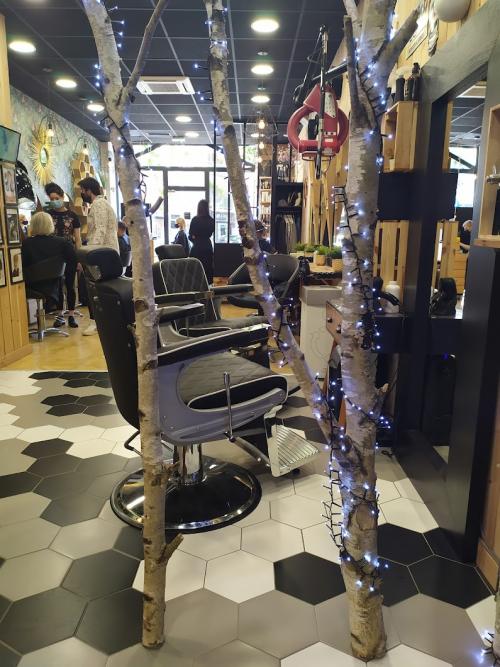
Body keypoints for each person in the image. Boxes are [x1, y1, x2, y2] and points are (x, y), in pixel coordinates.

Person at [78, 177, 119, 335]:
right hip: (106, 252)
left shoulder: (99, 204)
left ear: (89, 190)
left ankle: (96, 322)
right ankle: (102, 321)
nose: (82, 194)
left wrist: (91, 254)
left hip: (103, 253)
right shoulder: (102, 203)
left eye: (83, 190)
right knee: (98, 288)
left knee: (94, 288)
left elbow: (100, 230)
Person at [22, 212, 77, 321]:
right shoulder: (63, 242)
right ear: (50, 225)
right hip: (54, 285)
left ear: (33, 225)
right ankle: (68, 314)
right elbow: (73, 261)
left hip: (33, 287)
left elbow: (23, 266)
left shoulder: (26, 244)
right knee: (63, 278)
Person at [44, 182, 81, 328]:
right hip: (54, 256)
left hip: (70, 254)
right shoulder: (48, 215)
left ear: (62, 197)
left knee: (70, 285)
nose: (54, 201)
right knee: (58, 286)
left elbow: (77, 239)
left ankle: (71, 315)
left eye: (56, 198)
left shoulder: (73, 216)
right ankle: (60, 315)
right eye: (51, 199)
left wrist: (80, 258)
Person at [189, 200, 215, 284]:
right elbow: (210, 233)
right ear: (207, 208)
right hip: (207, 246)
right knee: (207, 268)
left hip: (197, 247)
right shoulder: (211, 220)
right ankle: (208, 286)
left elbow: (190, 235)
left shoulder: (195, 220)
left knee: (195, 269)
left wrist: (195, 240)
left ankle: (196, 287)